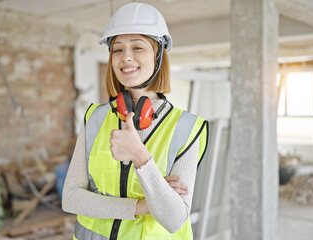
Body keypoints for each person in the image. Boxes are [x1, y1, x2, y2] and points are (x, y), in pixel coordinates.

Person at [62, 2, 208, 240]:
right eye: (117, 50)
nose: (126, 57)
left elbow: (173, 218)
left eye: (138, 47)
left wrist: (140, 156)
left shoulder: (188, 128)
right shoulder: (95, 117)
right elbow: (71, 198)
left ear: (158, 54)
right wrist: (141, 207)